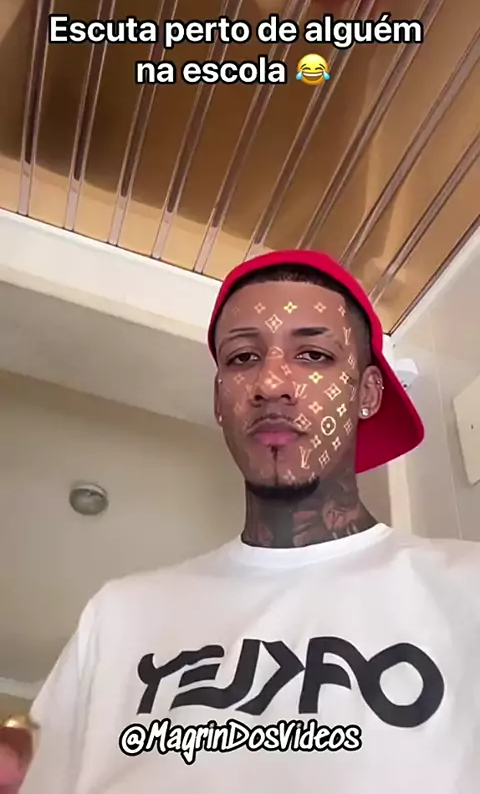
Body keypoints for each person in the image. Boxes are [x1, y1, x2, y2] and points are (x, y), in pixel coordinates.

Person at [2, 249, 480, 793]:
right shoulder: (118, 616)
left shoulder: (466, 588)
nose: (270, 383)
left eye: (314, 355)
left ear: (367, 392)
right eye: (243, 357)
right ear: (219, 399)